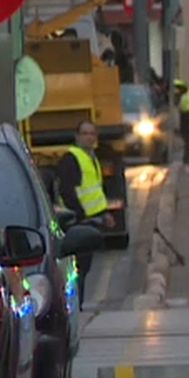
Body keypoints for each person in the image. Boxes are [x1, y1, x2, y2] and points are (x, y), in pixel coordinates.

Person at [56, 121, 113, 305]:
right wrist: (79, 215)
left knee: (85, 267)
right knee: (77, 269)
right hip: (77, 223)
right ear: (77, 137)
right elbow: (67, 191)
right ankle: (75, 305)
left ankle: (77, 303)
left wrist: (104, 213)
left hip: (92, 220)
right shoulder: (71, 158)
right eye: (85, 133)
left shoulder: (91, 158)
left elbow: (94, 190)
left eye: (92, 134)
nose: (89, 137)